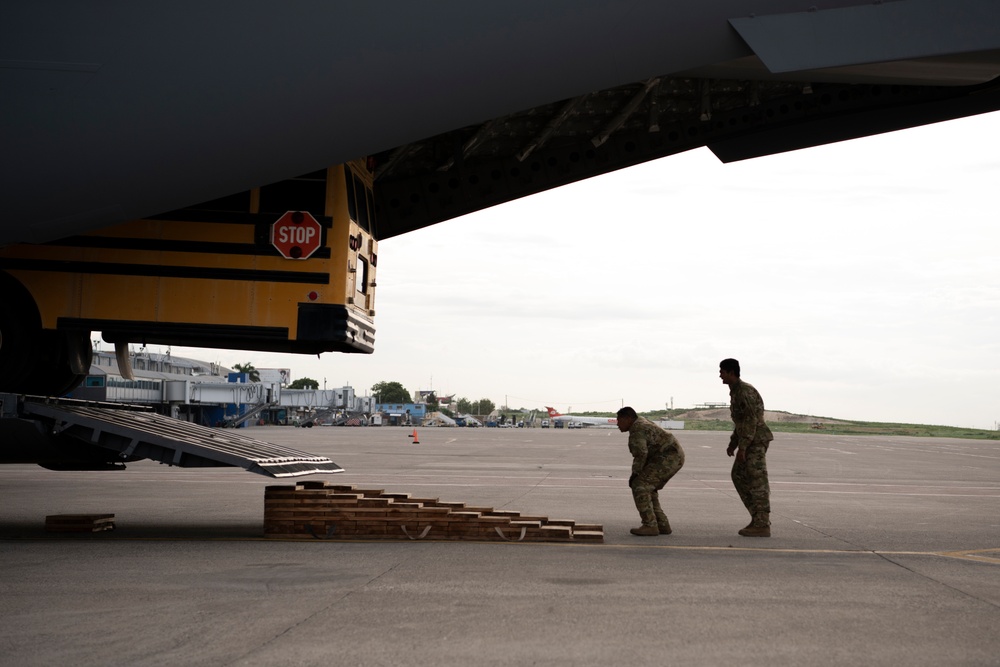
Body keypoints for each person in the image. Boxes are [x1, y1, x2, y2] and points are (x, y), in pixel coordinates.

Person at [719, 358, 774, 537]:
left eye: (722, 372)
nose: (720, 375)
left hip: (755, 441)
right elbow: (740, 422)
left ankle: (762, 523)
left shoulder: (744, 392)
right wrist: (733, 443)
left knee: (757, 480)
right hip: (748, 441)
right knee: (739, 475)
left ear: (731, 372)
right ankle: (758, 518)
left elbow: (750, 422)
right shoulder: (736, 392)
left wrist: (742, 447)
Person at [616, 406, 685, 536]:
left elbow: (641, 453)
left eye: (619, 420)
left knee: (640, 485)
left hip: (668, 457)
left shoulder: (637, 429)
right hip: (669, 456)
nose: (617, 424)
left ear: (628, 419)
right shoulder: (640, 423)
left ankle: (650, 525)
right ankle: (661, 524)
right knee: (649, 487)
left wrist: (635, 474)